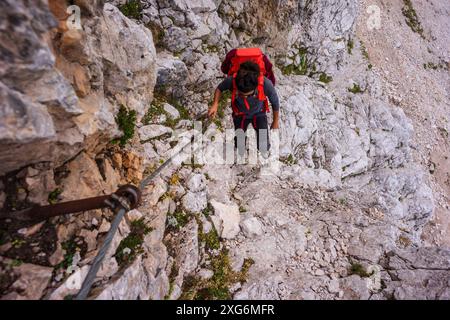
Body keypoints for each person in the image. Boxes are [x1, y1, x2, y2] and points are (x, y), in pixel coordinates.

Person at [208, 57, 280, 156]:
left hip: (259, 113)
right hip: (239, 114)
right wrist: (215, 104)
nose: (244, 97)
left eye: (248, 95)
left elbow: (275, 103)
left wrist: (275, 122)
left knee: (263, 145)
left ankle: (264, 156)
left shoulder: (265, 84)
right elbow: (220, 88)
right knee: (240, 143)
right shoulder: (232, 80)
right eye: (240, 94)